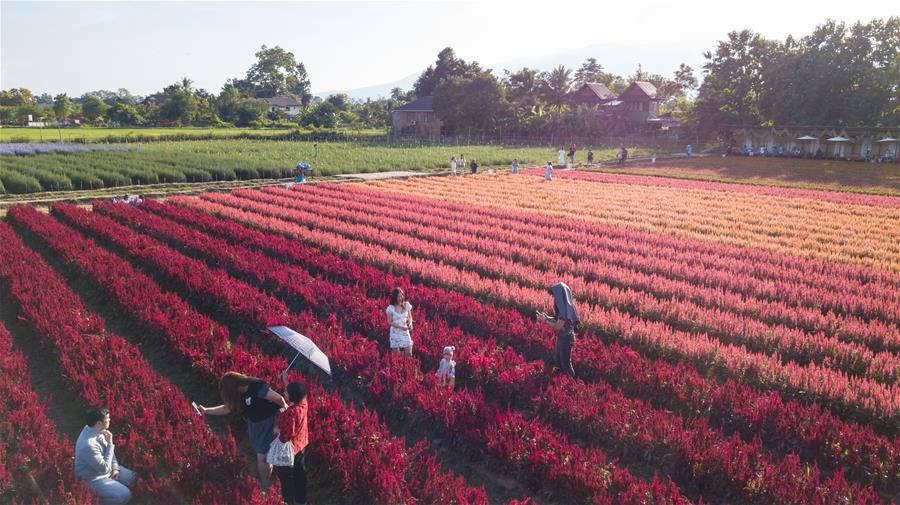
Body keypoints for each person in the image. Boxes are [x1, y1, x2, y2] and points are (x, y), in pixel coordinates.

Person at [197, 372, 288, 492]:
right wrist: (206, 410)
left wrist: (285, 417)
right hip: (257, 427)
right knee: (264, 455)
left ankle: (266, 486)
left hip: (270, 422)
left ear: (236, 387)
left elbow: (279, 399)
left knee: (263, 457)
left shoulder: (257, 386)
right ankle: (268, 482)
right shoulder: (238, 395)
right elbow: (226, 408)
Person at [74, 407, 137, 505]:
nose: (110, 420)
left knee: (133, 478)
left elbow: (109, 453)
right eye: (108, 418)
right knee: (125, 495)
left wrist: (115, 467)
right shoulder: (88, 445)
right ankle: (95, 501)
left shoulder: (98, 430)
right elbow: (105, 468)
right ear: (99, 423)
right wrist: (110, 444)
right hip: (92, 479)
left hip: (105, 469)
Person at [274, 372, 309, 505]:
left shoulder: (288, 415)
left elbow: (285, 437)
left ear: (290, 396)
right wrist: (286, 381)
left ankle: (288, 500)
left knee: (286, 476)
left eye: (286, 391)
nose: (284, 392)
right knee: (300, 472)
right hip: (302, 444)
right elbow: (296, 395)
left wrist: (277, 430)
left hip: (289, 450)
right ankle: (302, 500)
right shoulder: (304, 404)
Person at [536, 283, 579, 377]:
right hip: (562, 337)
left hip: (566, 339)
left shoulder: (565, 310)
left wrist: (545, 320)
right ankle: (560, 384)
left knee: (565, 364)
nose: (554, 298)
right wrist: (547, 317)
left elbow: (558, 326)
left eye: (555, 295)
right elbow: (558, 320)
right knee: (558, 361)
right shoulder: (565, 307)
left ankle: (571, 385)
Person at [386, 287, 414, 356]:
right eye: (398, 296)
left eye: (401, 296)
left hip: (405, 331)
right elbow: (389, 322)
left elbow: (410, 317)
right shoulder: (391, 308)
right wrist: (400, 327)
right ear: (394, 297)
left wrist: (410, 323)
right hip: (395, 332)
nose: (400, 298)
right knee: (395, 354)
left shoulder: (406, 305)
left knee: (409, 353)